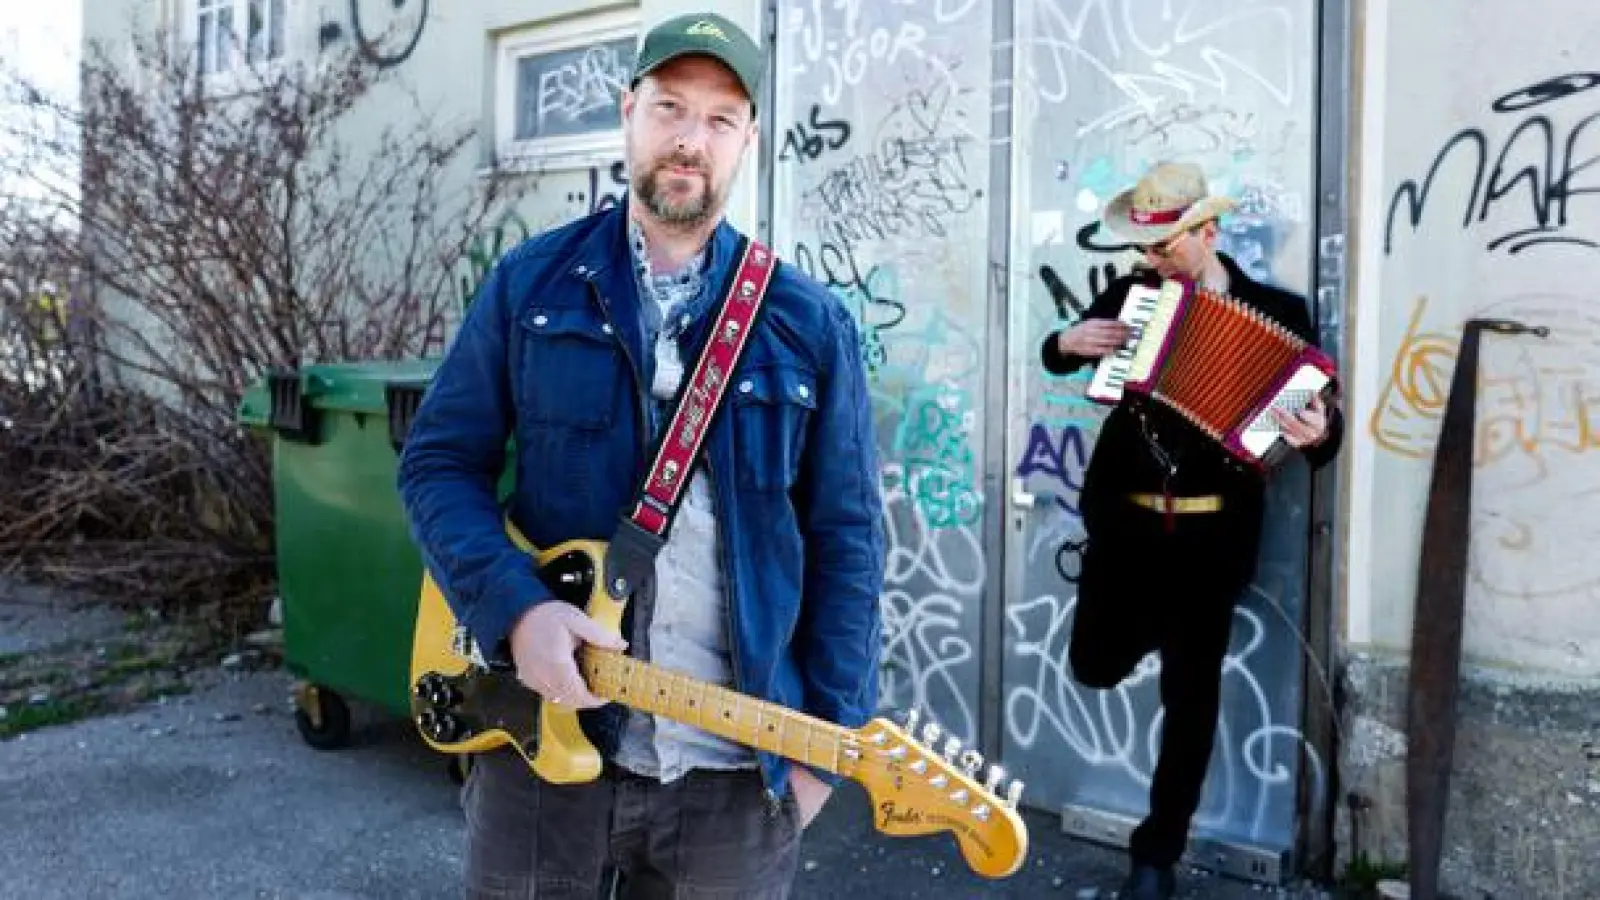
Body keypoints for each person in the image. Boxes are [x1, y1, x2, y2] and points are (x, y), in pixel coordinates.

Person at [396, 12, 886, 899]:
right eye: (669, 106)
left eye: (720, 118)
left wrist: (827, 745)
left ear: (750, 140)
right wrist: (514, 610)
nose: (690, 139)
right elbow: (435, 465)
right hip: (538, 749)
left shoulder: (810, 324)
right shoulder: (529, 283)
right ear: (628, 112)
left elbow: (848, 537)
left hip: (734, 775)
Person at [1040, 162, 1342, 900]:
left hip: (1211, 542)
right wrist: (1067, 344)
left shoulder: (1280, 314)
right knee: (1096, 662)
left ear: (1208, 232)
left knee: (1191, 697)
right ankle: (1141, 626)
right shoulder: (1134, 296)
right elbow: (1063, 353)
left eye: (1164, 247)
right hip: (1125, 527)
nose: (1149, 262)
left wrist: (1315, 432)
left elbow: (1322, 430)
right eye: (1143, 248)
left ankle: (1156, 856)